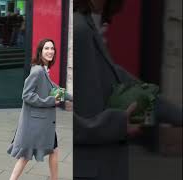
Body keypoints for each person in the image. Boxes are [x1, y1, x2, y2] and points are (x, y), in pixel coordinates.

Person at [74, 0, 182, 180]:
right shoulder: (79, 31)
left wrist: (177, 115)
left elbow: (140, 94)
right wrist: (115, 123)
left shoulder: (89, 28)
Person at [7, 39, 72, 180]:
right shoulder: (37, 71)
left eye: (52, 48)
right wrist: (49, 101)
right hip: (35, 123)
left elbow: (54, 89)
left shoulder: (43, 70)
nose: (50, 51)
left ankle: (54, 178)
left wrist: (71, 97)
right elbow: (26, 95)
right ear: (40, 52)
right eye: (46, 48)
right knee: (25, 156)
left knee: (53, 150)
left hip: (42, 122)